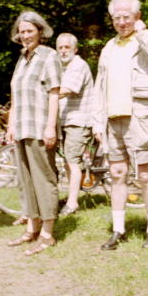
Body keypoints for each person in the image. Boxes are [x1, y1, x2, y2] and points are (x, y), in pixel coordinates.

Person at [92, 0, 148, 251]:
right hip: (112, 118)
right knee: (117, 173)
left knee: (145, 174)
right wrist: (97, 121)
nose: (121, 22)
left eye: (126, 17)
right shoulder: (109, 47)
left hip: (141, 117)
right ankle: (118, 229)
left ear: (137, 17)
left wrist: (143, 37)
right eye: (116, 18)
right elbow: (99, 86)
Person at [5, 11, 61, 256]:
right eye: (22, 31)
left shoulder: (49, 56)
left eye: (29, 31)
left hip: (39, 128)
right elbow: (17, 95)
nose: (25, 35)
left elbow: (54, 93)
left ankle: (47, 234)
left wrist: (51, 126)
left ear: (40, 31)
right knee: (26, 180)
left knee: (43, 179)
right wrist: (11, 125)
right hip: (22, 128)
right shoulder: (22, 58)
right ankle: (32, 227)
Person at [56, 32, 95, 216]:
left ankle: (72, 203)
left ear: (75, 49)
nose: (63, 51)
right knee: (68, 162)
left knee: (72, 161)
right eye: (60, 47)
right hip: (66, 120)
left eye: (67, 47)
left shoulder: (78, 65)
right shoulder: (63, 67)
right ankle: (71, 197)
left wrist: (44, 95)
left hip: (78, 120)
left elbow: (67, 90)